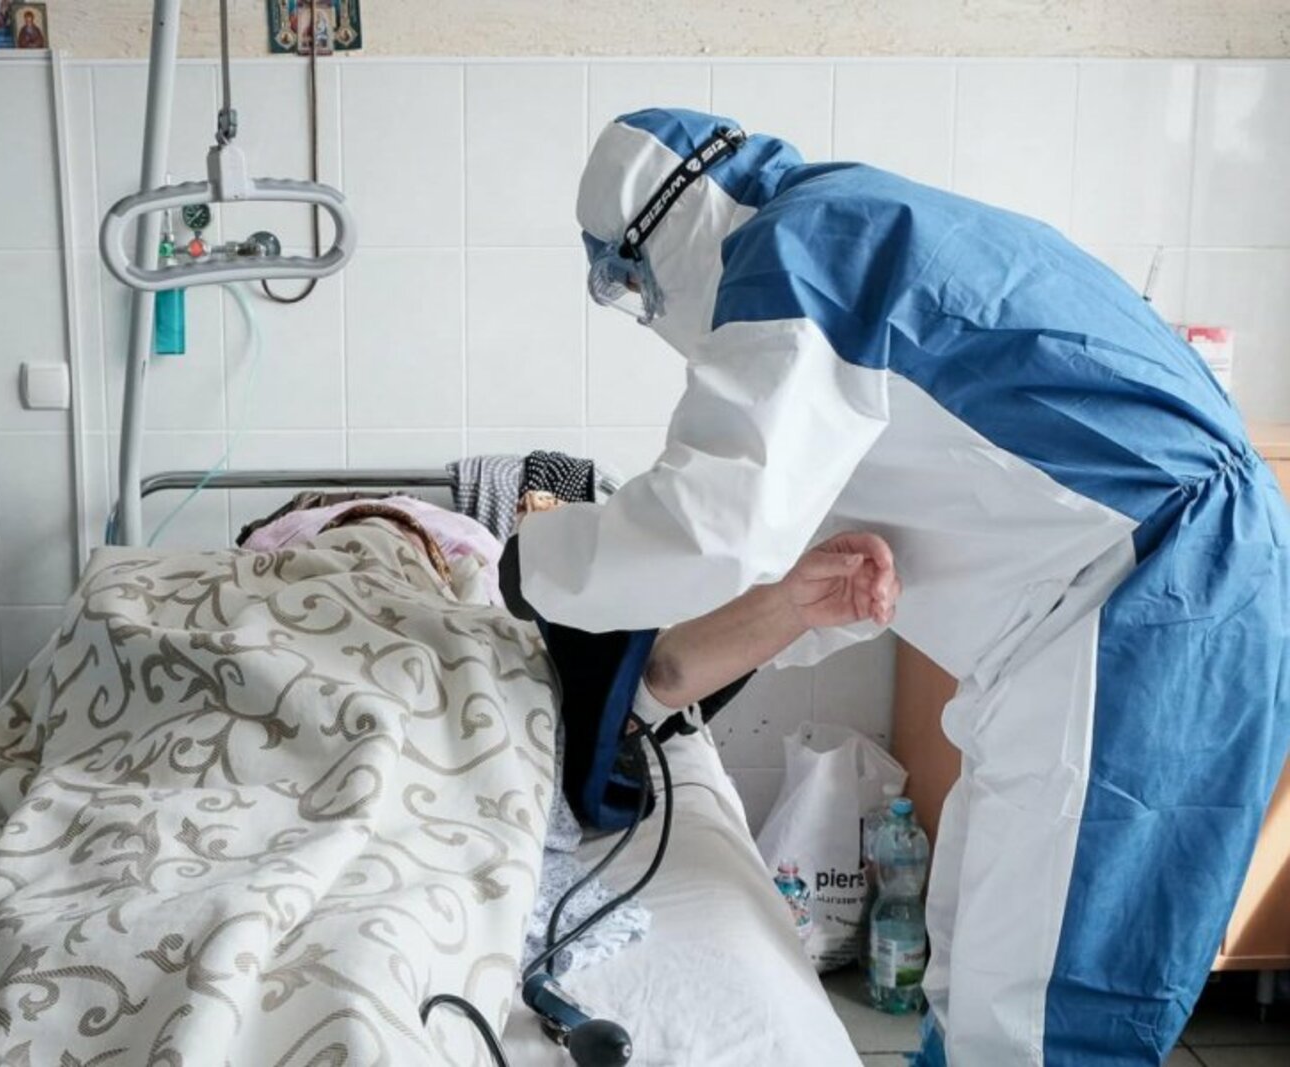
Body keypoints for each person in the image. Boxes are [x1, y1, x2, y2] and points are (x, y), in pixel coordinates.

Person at [509, 107, 1290, 1067]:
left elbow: (709, 527)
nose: (648, 311)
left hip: (1158, 596)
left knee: (1039, 1007)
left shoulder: (793, 257)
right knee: (980, 959)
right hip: (1110, 604)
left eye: (630, 286)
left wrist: (528, 563)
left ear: (656, 235)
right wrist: (655, 685)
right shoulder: (857, 227)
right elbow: (805, 568)